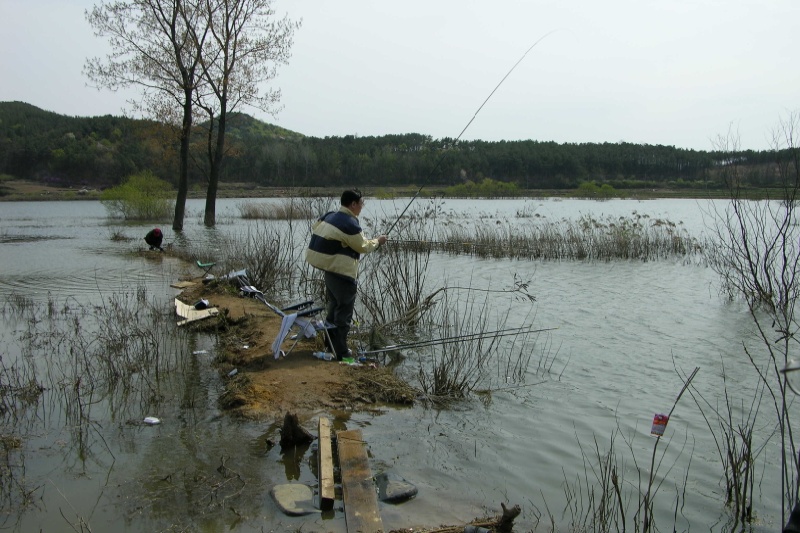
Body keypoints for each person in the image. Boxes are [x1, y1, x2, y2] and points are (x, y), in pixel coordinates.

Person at [305, 189, 388, 360]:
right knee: (343, 314)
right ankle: (341, 352)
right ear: (353, 204)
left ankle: (330, 345)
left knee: (333, 309)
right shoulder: (349, 224)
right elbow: (363, 246)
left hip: (330, 272)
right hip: (343, 275)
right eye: (361, 203)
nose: (362, 207)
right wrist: (378, 242)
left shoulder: (329, 216)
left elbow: (318, 228)